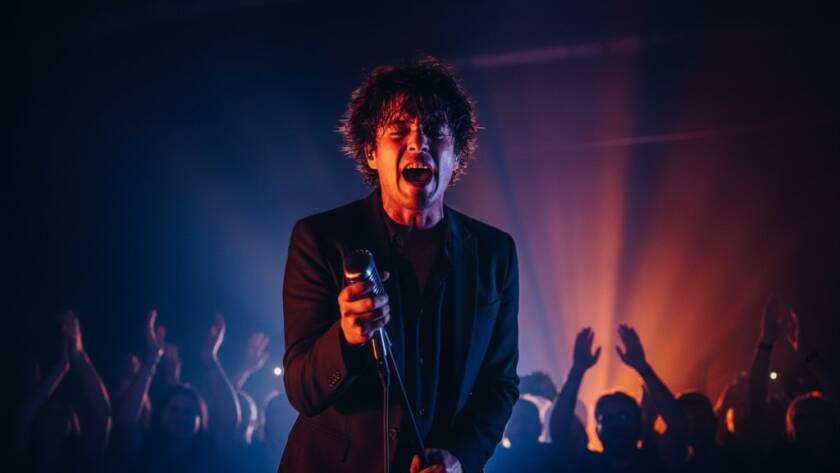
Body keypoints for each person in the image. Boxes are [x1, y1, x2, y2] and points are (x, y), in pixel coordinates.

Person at [279, 57, 519, 473]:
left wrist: (461, 457)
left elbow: (499, 384)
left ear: (455, 156)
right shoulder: (320, 240)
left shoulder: (494, 254)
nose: (417, 142)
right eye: (399, 131)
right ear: (370, 153)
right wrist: (347, 338)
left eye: (435, 131)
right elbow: (302, 389)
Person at [550, 326, 688, 472]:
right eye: (606, 418)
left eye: (623, 416)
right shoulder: (589, 465)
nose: (615, 425)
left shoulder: (654, 461)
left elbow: (678, 425)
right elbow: (559, 432)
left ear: (639, 424)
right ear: (596, 430)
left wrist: (643, 368)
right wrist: (576, 370)